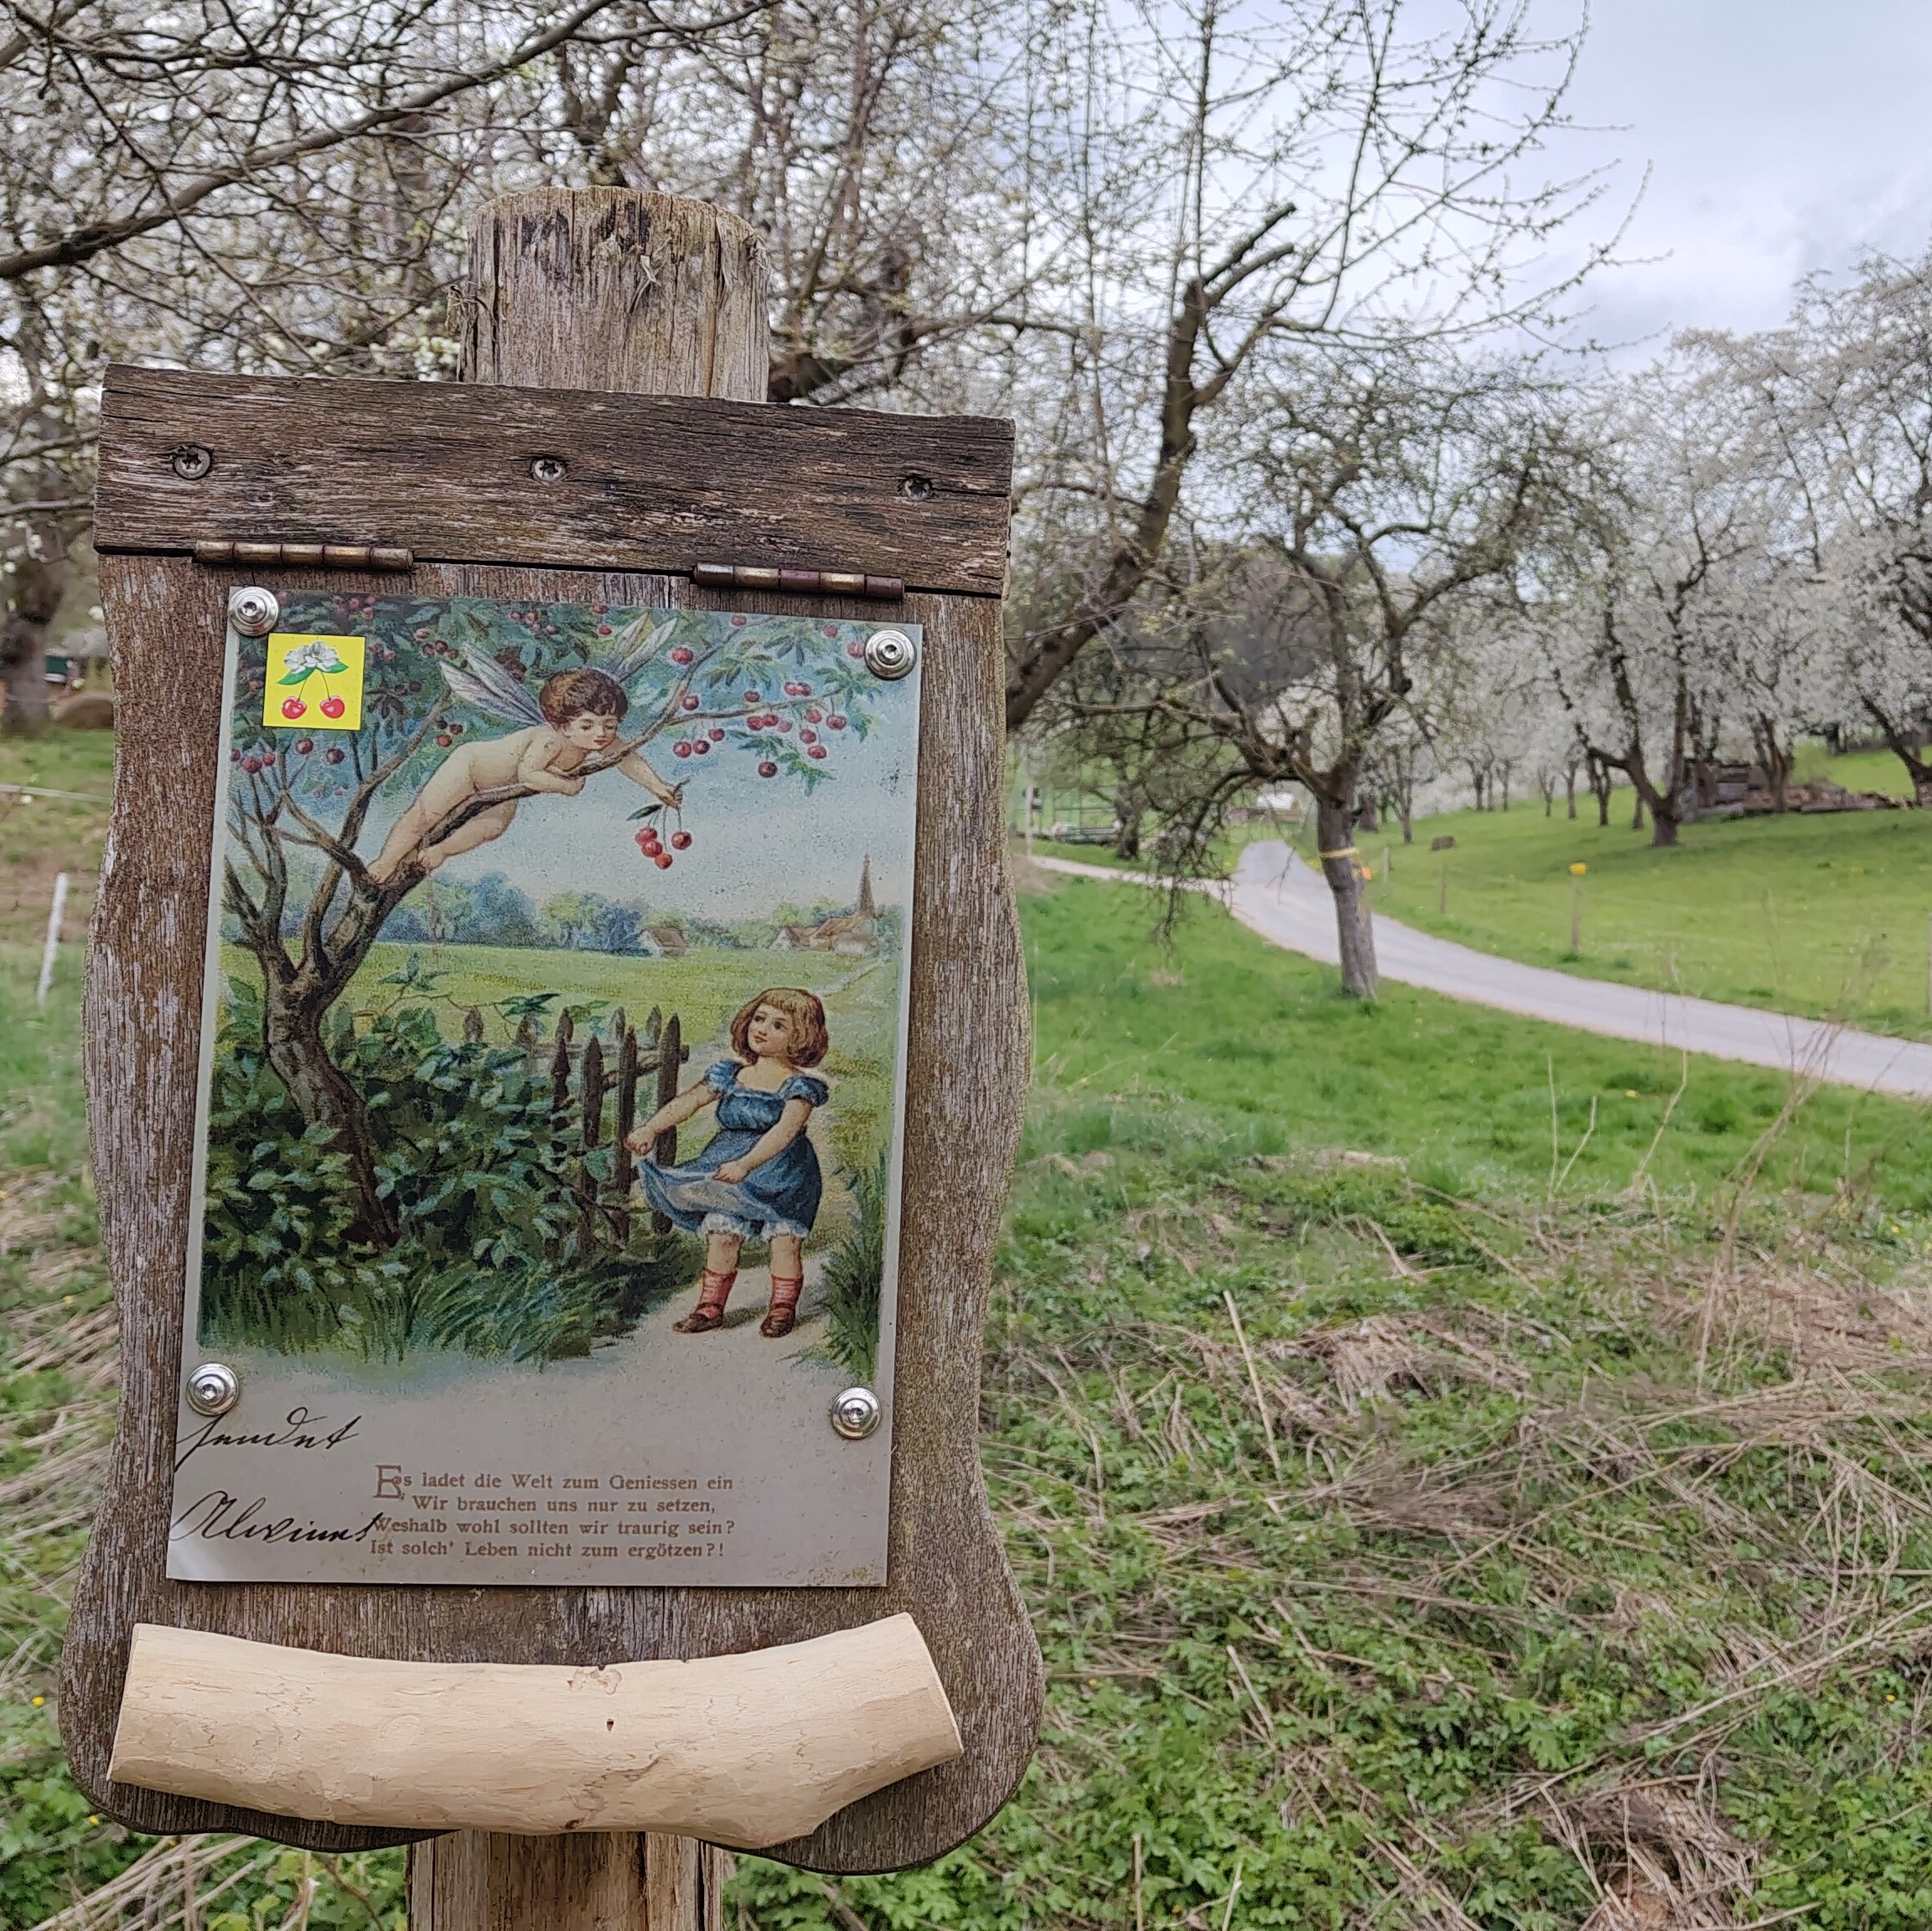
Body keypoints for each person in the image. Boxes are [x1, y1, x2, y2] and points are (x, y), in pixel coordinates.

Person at [628, 988, 831, 1338]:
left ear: (801, 1037)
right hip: (724, 1163)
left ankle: (782, 1308)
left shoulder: (800, 1087)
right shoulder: (730, 1074)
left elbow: (783, 1133)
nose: (762, 1029)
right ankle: (710, 1306)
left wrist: (746, 1165)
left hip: (781, 1171)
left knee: (784, 1240)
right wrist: (651, 1127)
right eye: (759, 1018)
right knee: (722, 1233)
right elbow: (688, 1102)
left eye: (779, 1025)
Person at [367, 667, 680, 882]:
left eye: (609, 725)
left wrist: (658, 787)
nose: (600, 734)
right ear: (563, 724)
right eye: (588, 725)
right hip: (472, 768)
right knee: (425, 816)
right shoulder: (549, 740)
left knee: (492, 827)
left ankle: (439, 852)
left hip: (504, 788)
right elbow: (529, 774)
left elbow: (627, 759)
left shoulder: (600, 740)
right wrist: (565, 787)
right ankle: (386, 860)